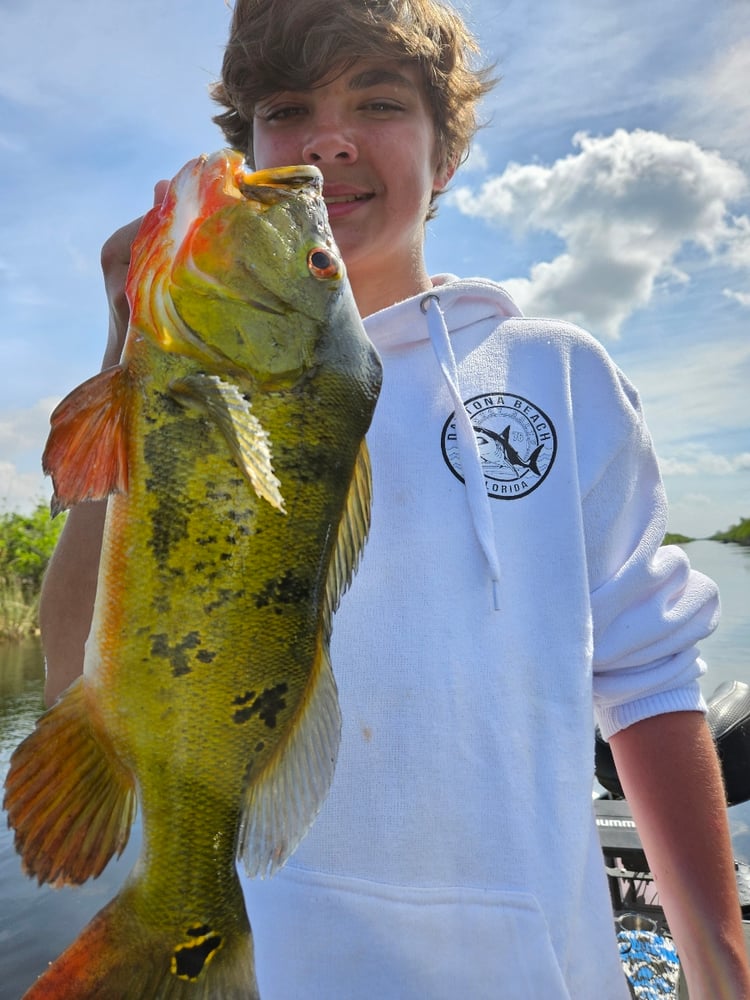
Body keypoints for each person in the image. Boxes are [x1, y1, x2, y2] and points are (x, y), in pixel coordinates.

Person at [38, 0, 750, 996]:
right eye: (286, 110)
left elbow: (649, 677)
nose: (329, 138)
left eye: (378, 101)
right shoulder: (174, 381)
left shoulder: (557, 375)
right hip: (272, 968)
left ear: (445, 154)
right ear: (249, 144)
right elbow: (75, 666)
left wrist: (720, 962)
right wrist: (129, 348)